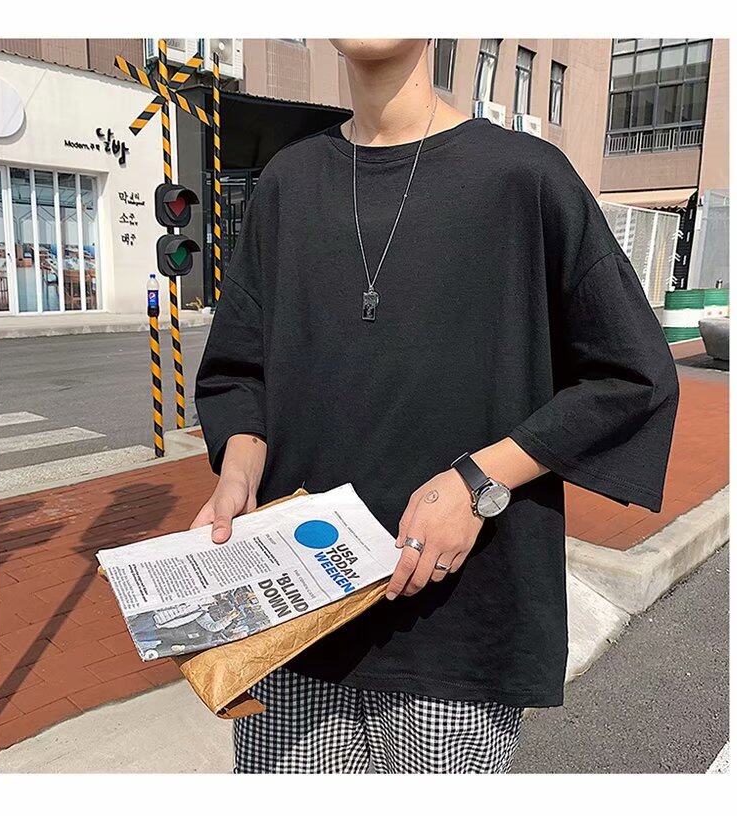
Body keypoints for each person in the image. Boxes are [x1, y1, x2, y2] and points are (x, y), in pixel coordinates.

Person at [193, 38, 679, 774]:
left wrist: (481, 480)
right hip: (294, 622)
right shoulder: (288, 182)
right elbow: (239, 369)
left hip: (457, 623)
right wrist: (238, 470)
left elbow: (632, 372)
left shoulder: (524, 177)